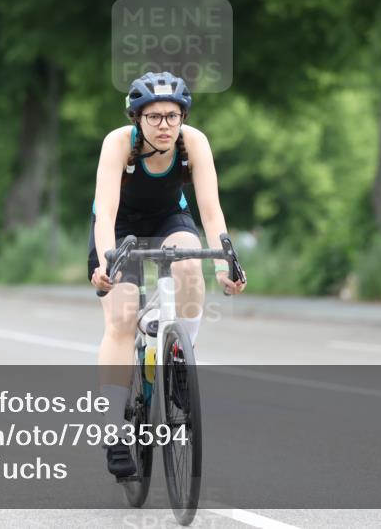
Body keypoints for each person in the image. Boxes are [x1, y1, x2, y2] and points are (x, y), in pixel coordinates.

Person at [88, 72, 247, 477]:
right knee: (122, 317)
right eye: (155, 117)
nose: (164, 125)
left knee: (191, 264)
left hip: (167, 219)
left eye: (172, 116)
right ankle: (115, 432)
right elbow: (104, 211)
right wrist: (107, 262)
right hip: (120, 226)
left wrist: (224, 263)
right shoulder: (118, 143)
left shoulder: (193, 143)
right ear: (137, 118)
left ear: (183, 117)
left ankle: (178, 363)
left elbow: (210, 211)